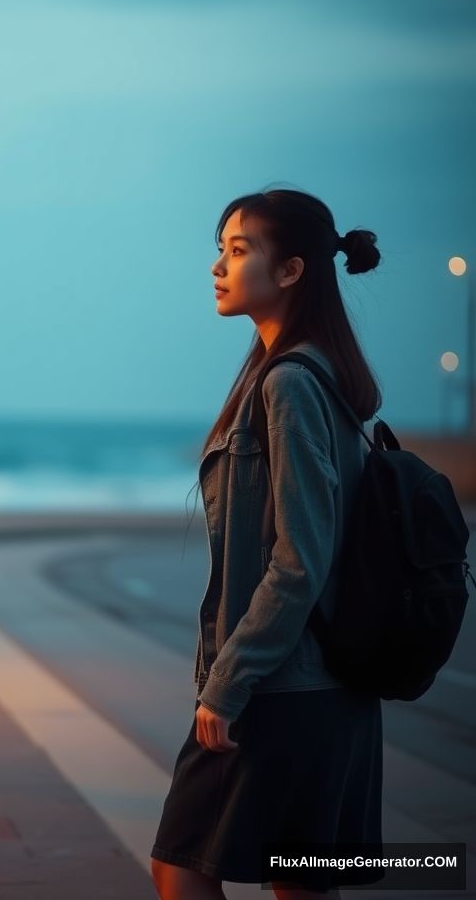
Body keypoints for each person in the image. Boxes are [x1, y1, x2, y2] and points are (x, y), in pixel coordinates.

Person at [150, 189, 384, 899]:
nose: (218, 266)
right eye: (221, 249)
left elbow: (298, 560)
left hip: (282, 690)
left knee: (182, 865)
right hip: (322, 691)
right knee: (301, 883)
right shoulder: (315, 374)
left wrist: (228, 682)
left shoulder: (289, 384)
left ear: (291, 271)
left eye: (239, 249)